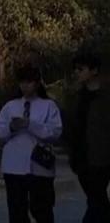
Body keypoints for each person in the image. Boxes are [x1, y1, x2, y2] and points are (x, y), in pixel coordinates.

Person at [0, 65, 63, 223]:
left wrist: (30, 125)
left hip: (40, 167)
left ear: (37, 83)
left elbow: (55, 132)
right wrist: (11, 127)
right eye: (22, 82)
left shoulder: (49, 106)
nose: (25, 86)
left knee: (42, 210)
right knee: (16, 211)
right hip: (13, 166)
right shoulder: (10, 106)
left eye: (29, 82)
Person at [68, 50, 110, 223]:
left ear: (94, 70)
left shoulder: (105, 97)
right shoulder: (77, 97)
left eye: (81, 69)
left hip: (102, 158)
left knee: (97, 202)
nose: (77, 73)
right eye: (76, 69)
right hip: (81, 158)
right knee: (97, 202)